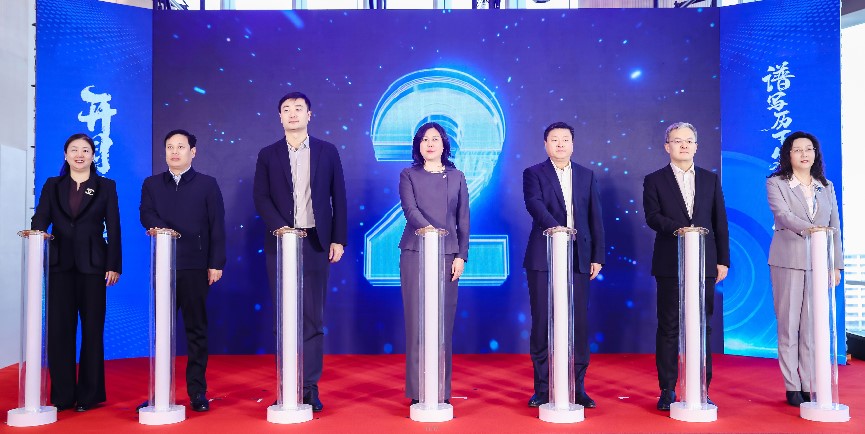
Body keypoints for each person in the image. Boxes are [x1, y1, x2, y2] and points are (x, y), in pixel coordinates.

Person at [253, 91, 347, 412]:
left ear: (309, 114)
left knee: (312, 318)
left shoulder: (327, 151)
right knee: (283, 317)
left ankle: (309, 387)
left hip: (316, 242)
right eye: (286, 109)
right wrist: (281, 228)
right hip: (280, 243)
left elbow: (338, 197)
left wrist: (338, 239)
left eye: (298, 108)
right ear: (279, 117)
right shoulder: (268, 154)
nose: (292, 113)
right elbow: (261, 197)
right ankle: (286, 386)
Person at [31, 133, 122, 412]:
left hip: (94, 266)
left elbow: (114, 227)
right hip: (60, 265)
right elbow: (41, 217)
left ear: (93, 155)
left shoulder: (105, 186)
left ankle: (89, 395)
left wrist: (114, 264)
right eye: (74, 150)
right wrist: (36, 232)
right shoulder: (53, 185)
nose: (79, 154)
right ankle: (62, 395)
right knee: (59, 331)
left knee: (92, 330)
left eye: (85, 150)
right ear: (66, 155)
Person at [642, 121, 729, 411]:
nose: (683, 145)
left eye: (689, 141)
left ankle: (701, 387)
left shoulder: (709, 179)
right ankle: (667, 389)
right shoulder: (654, 179)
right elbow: (652, 216)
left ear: (696, 146)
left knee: (703, 325)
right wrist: (680, 229)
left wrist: (723, 260)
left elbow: (720, 222)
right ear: (667, 146)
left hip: (705, 262)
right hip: (670, 262)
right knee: (669, 326)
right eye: (677, 141)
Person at [139, 129, 226, 412]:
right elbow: (145, 213)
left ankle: (197, 392)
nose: (174, 152)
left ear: (193, 152)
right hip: (163, 265)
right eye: (169, 147)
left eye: (180, 146)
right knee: (161, 331)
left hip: (195, 266)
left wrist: (216, 263)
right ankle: (160, 393)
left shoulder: (207, 184)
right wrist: (164, 230)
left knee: (195, 330)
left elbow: (217, 225)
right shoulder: (152, 184)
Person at [523, 121, 605, 409]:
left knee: (578, 324)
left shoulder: (586, 175)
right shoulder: (533, 173)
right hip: (543, 257)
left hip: (579, 257)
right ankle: (543, 388)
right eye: (554, 139)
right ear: (546, 144)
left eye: (565, 139)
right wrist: (558, 230)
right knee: (543, 322)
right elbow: (534, 205)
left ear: (572, 144)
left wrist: (597, 255)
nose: (560, 144)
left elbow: (595, 217)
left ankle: (576, 387)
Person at [766, 131, 843, 406]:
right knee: (789, 326)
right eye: (797, 149)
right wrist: (812, 230)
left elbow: (834, 227)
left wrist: (836, 265)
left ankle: (810, 383)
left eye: (808, 149)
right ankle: (792, 386)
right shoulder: (776, 183)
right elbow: (783, 215)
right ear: (788, 154)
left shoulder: (826, 186)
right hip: (787, 260)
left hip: (819, 264)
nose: (804, 154)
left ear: (815, 153)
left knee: (812, 327)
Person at [398, 122, 470, 406]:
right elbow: (410, 209)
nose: (430, 144)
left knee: (443, 323)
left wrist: (461, 255)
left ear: (444, 144)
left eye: (435, 139)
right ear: (418, 145)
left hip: (448, 254)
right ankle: (418, 391)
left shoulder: (457, 176)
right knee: (417, 321)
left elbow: (463, 219)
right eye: (425, 139)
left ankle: (440, 388)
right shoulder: (408, 174)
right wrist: (429, 231)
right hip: (415, 251)